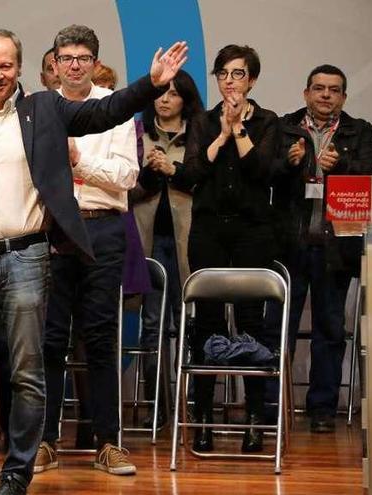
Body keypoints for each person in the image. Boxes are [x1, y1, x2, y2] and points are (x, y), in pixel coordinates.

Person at [0, 28, 187, 495]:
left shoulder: (43, 109)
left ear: (20, 68)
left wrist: (152, 83)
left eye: (6, 66)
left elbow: (105, 112)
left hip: (27, 256)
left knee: (26, 368)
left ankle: (18, 470)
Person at [35, 25, 139, 477]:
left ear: (95, 63)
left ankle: (108, 442)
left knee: (99, 337)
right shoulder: (37, 109)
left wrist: (80, 161)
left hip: (102, 229)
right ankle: (43, 441)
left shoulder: (114, 108)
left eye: (83, 57)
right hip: (51, 230)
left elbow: (126, 176)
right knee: (49, 340)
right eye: (66, 57)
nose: (74, 65)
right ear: (54, 63)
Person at [173, 44, 278, 453]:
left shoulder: (268, 122)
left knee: (251, 322)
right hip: (210, 230)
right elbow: (193, 173)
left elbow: (263, 171)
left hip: (253, 231)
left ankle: (254, 418)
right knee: (208, 323)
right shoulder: (201, 121)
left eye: (238, 74)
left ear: (251, 80)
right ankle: (202, 419)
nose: (230, 81)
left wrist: (238, 130)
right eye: (224, 74)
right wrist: (220, 132)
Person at [271, 64, 372, 433]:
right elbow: (264, 172)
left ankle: (321, 410)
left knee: (329, 331)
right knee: (277, 330)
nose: (326, 95)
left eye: (334, 90)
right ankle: (273, 406)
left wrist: (340, 165)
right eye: (319, 88)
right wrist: (289, 163)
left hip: (335, 247)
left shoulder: (360, 131)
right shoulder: (283, 127)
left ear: (344, 97)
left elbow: (367, 173)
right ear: (306, 93)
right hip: (290, 244)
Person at [131, 69, 204, 428]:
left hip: (189, 243)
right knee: (153, 325)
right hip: (148, 242)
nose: (164, 99)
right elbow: (124, 191)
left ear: (186, 100)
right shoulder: (137, 136)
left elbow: (207, 186)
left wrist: (172, 169)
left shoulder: (201, 136)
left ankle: (191, 405)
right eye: (159, 92)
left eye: (173, 94)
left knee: (189, 322)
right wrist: (150, 173)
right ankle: (157, 408)